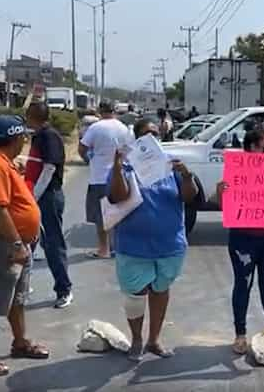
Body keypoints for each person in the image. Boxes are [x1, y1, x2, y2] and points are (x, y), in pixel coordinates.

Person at [108, 118, 198, 361]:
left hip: (169, 245)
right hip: (133, 246)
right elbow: (118, 196)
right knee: (135, 295)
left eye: (157, 134)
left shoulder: (171, 165)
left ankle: (154, 339)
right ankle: (136, 340)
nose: (153, 138)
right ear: (137, 139)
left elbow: (189, 197)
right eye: (148, 134)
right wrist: (117, 165)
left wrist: (187, 176)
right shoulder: (126, 166)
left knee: (160, 290)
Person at [0, 115, 49, 376]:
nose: (25, 142)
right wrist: (16, 243)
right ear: (15, 139)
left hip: (17, 243)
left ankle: (20, 342)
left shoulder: (3, 163)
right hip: (3, 244)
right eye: (23, 138)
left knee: (17, 298)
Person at [216, 127, 264, 355]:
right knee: (243, 284)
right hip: (243, 239)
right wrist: (221, 192)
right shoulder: (237, 171)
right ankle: (240, 335)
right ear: (252, 147)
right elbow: (222, 205)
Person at [25, 102, 72, 308]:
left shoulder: (49, 136)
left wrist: (34, 196)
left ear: (34, 115)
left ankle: (64, 289)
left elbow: (49, 168)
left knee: (52, 243)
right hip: (38, 195)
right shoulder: (38, 135)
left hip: (48, 197)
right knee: (29, 242)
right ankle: (23, 287)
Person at [79, 102, 134, 259]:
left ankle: (104, 249)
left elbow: (82, 148)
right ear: (114, 111)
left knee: (100, 216)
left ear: (100, 111)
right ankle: (118, 247)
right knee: (118, 212)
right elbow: (131, 150)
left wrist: (89, 159)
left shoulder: (96, 128)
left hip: (99, 177)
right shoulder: (124, 128)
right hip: (120, 177)